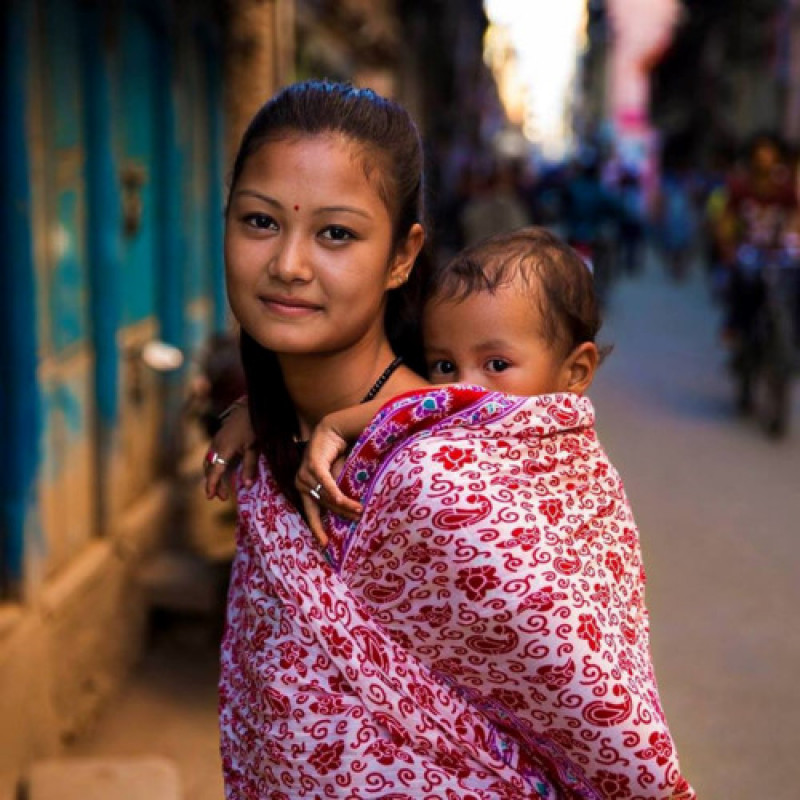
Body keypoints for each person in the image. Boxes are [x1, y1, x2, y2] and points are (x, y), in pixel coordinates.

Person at [212, 80, 695, 799]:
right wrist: (264, 409)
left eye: (336, 233)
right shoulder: (278, 441)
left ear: (403, 257)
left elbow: (615, 733)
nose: (289, 264)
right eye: (259, 222)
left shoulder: (442, 480)